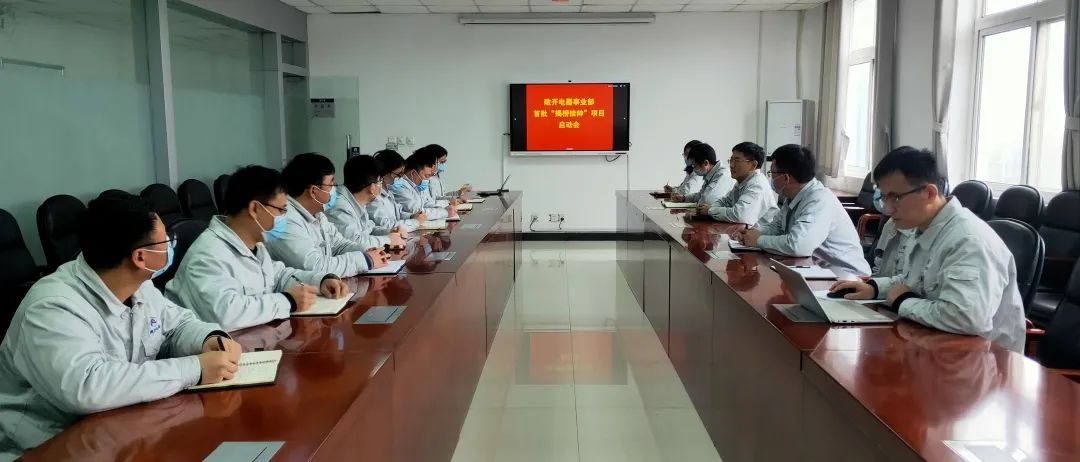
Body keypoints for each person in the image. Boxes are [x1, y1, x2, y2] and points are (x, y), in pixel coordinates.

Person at [0, 193, 241, 457]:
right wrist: (195, 369)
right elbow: (88, 387)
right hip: (45, 447)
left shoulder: (139, 284)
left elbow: (176, 324)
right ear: (140, 257)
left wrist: (209, 338)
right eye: (166, 242)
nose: (171, 246)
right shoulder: (52, 306)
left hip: (117, 430)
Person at [829, 147, 1025, 352]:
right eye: (884, 198)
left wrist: (903, 302)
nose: (888, 209)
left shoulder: (969, 241)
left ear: (929, 193)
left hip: (984, 358)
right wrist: (874, 289)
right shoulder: (923, 227)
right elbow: (913, 280)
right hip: (938, 344)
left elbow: (966, 318)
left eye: (895, 198)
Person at [166, 165, 352, 332]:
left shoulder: (255, 244)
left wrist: (320, 281)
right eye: (281, 210)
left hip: (255, 338)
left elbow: (278, 276)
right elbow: (226, 314)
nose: (285, 217)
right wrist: (287, 301)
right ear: (255, 208)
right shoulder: (208, 254)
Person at [733, 144, 871, 276]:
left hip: (847, 275)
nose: (771, 178)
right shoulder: (793, 196)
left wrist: (758, 240)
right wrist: (751, 233)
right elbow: (776, 228)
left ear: (786, 177)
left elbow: (798, 246)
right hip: (815, 269)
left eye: (772, 173)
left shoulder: (819, 200)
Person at [265, 152, 389, 276]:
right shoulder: (285, 221)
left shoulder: (317, 214)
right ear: (314, 191)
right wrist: (365, 260)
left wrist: (367, 251)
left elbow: (339, 245)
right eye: (331, 185)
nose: (335, 189)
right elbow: (314, 266)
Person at [326, 155, 407, 249]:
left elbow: (369, 229)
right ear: (372, 188)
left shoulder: (358, 201)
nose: (381, 186)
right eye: (380, 181)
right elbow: (354, 241)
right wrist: (388, 240)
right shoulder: (339, 207)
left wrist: (390, 232)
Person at [699, 141, 778, 226]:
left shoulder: (757, 185)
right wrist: (710, 208)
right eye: (731, 160)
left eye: (737, 161)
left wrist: (710, 210)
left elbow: (740, 215)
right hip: (744, 231)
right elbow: (725, 201)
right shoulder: (742, 181)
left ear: (753, 165)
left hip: (760, 233)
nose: (731, 165)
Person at [391, 149, 457, 221]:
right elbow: (416, 211)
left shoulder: (415, 185)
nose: (427, 180)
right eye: (426, 176)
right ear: (413, 173)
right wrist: (444, 212)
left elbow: (425, 203)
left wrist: (447, 204)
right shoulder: (399, 186)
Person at [370, 150, 423, 233]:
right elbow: (385, 225)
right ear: (384, 173)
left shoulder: (388, 192)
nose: (400, 177)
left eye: (402, 173)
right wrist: (415, 222)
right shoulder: (373, 196)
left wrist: (411, 216)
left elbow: (397, 213)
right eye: (398, 174)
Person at [671, 142, 736, 205]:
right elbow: (701, 194)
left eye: (694, 165)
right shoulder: (710, 173)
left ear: (706, 163)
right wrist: (684, 198)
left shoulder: (722, 174)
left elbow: (707, 201)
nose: (693, 169)